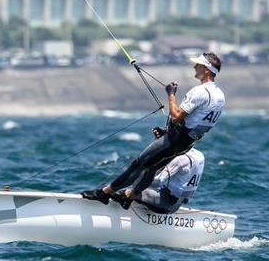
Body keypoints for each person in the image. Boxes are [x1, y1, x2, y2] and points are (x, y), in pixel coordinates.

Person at [82, 52, 225, 208]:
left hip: (175, 140)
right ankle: (129, 196)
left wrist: (171, 94)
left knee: (138, 164)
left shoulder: (200, 92)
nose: (194, 66)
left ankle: (104, 194)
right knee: (152, 166)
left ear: (206, 69)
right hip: (186, 142)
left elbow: (177, 116)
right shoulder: (219, 95)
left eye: (198, 64)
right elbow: (197, 122)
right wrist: (168, 131)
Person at [130, 147, 204, 214]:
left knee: (131, 188)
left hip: (165, 204)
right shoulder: (199, 155)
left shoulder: (180, 158)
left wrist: (134, 187)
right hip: (178, 203)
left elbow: (158, 181)